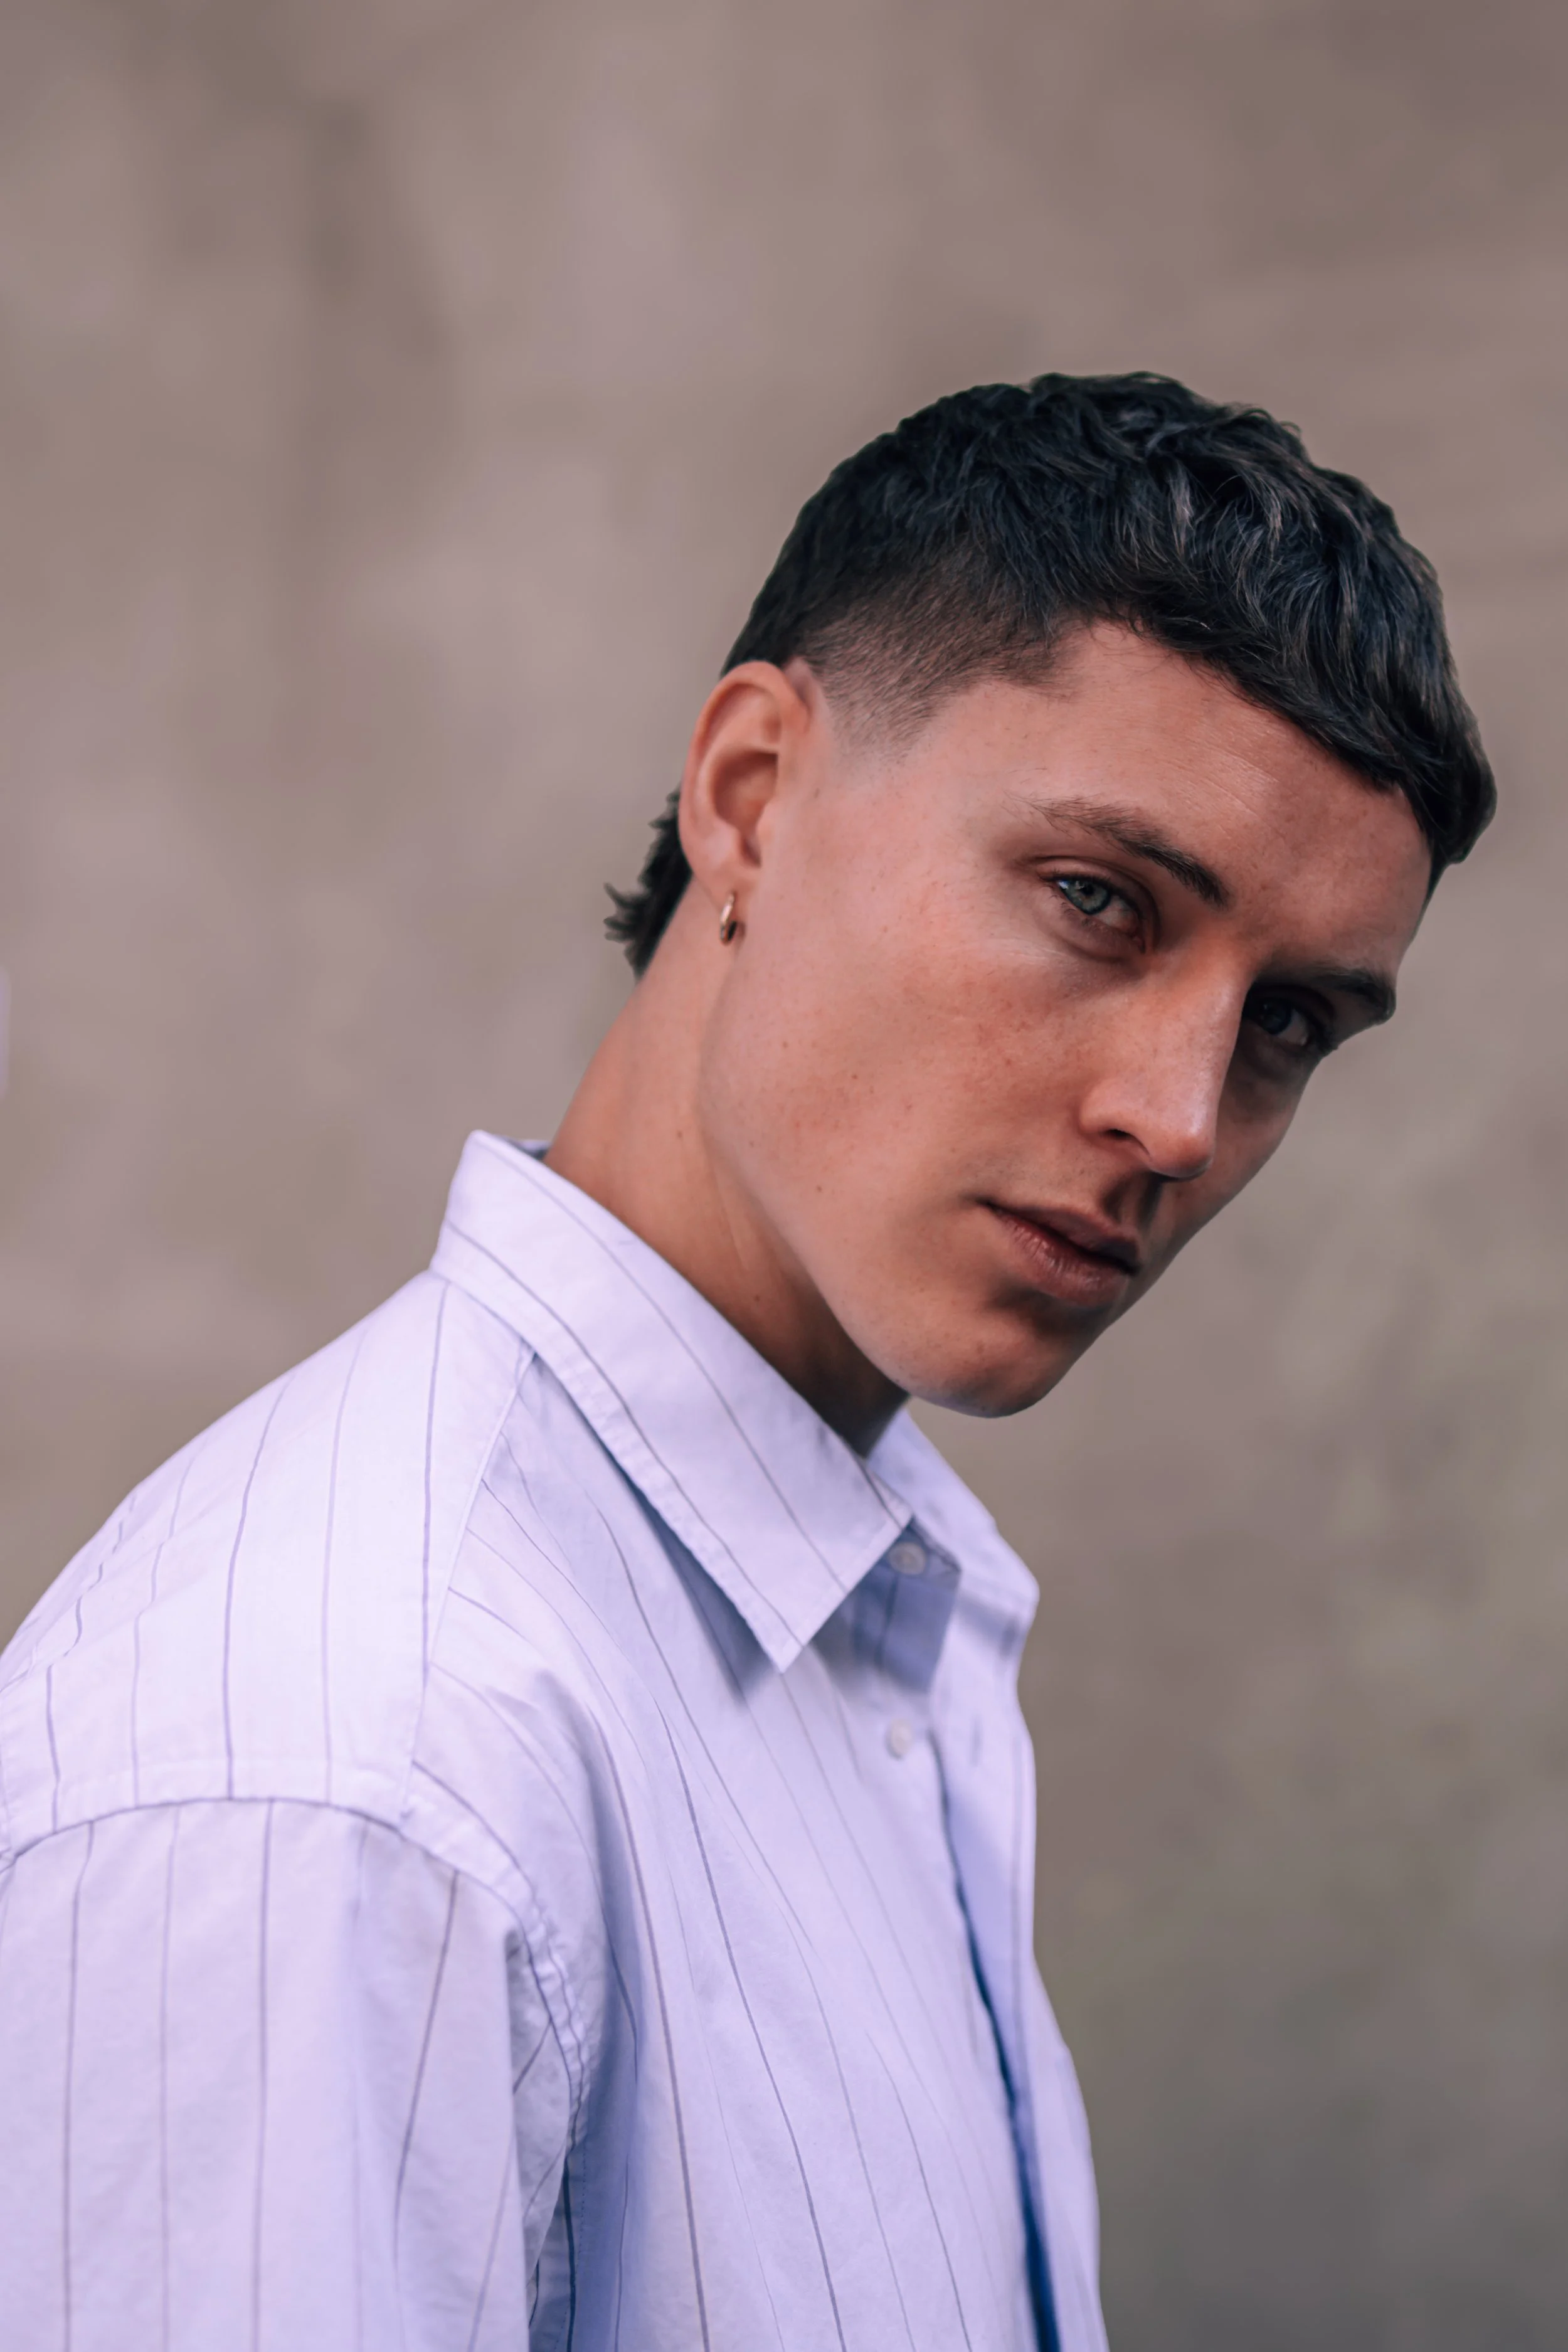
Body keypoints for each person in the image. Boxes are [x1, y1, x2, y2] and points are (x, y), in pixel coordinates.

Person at [0, 374, 1492, 2352]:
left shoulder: (864, 1625)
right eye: (1096, 900)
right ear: (751, 795)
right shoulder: (353, 1752)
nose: (1177, 1113)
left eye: (1291, 1021)